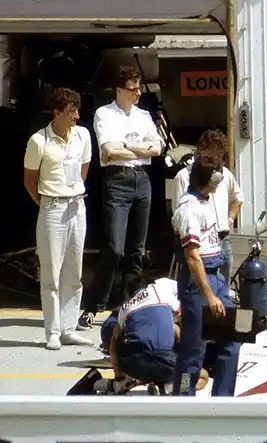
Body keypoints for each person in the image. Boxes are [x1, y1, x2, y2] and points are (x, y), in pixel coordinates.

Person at [79, 65, 164, 329]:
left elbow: (158, 148)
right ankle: (94, 305)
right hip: (117, 180)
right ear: (119, 90)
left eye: (139, 88)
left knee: (136, 250)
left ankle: (130, 306)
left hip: (142, 179)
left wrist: (126, 146)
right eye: (132, 89)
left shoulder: (143, 115)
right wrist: (140, 149)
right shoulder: (104, 114)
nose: (138, 93)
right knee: (114, 248)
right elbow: (108, 151)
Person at [23, 87, 94, 350]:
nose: (76, 116)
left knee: (74, 271)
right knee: (51, 272)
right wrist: (47, 202)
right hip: (52, 208)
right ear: (56, 113)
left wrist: (71, 193)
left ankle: (69, 327)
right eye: (71, 111)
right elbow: (29, 179)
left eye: (77, 110)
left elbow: (85, 168)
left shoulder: (83, 135)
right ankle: (53, 331)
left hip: (77, 206)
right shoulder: (39, 141)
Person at [171, 155, 241, 396]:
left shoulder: (204, 202)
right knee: (193, 352)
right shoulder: (188, 208)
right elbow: (192, 257)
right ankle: (182, 398)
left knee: (232, 339)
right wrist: (209, 296)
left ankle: (222, 400)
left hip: (216, 277)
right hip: (198, 284)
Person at [108, 275, 209, 395]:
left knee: (119, 337)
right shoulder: (160, 292)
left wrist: (119, 379)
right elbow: (186, 324)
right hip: (165, 363)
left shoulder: (125, 307)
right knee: (203, 377)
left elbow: (113, 345)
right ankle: (172, 387)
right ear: (150, 285)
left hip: (134, 366)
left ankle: (136, 381)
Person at [173, 129, 245, 283]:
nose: (217, 160)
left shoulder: (224, 174)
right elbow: (179, 216)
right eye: (213, 155)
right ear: (200, 152)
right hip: (199, 243)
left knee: (223, 290)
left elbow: (238, 198)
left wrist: (230, 220)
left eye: (220, 155)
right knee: (199, 290)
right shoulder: (183, 177)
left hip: (222, 240)